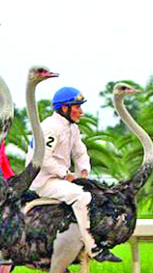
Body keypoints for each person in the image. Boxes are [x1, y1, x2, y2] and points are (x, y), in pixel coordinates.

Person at [25, 87, 121, 263]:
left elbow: (80, 152)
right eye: (77, 107)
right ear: (64, 108)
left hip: (58, 179)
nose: (81, 111)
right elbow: (43, 157)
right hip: (43, 181)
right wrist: (65, 174)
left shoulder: (72, 128)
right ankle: (94, 248)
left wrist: (83, 171)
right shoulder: (50, 127)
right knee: (82, 197)